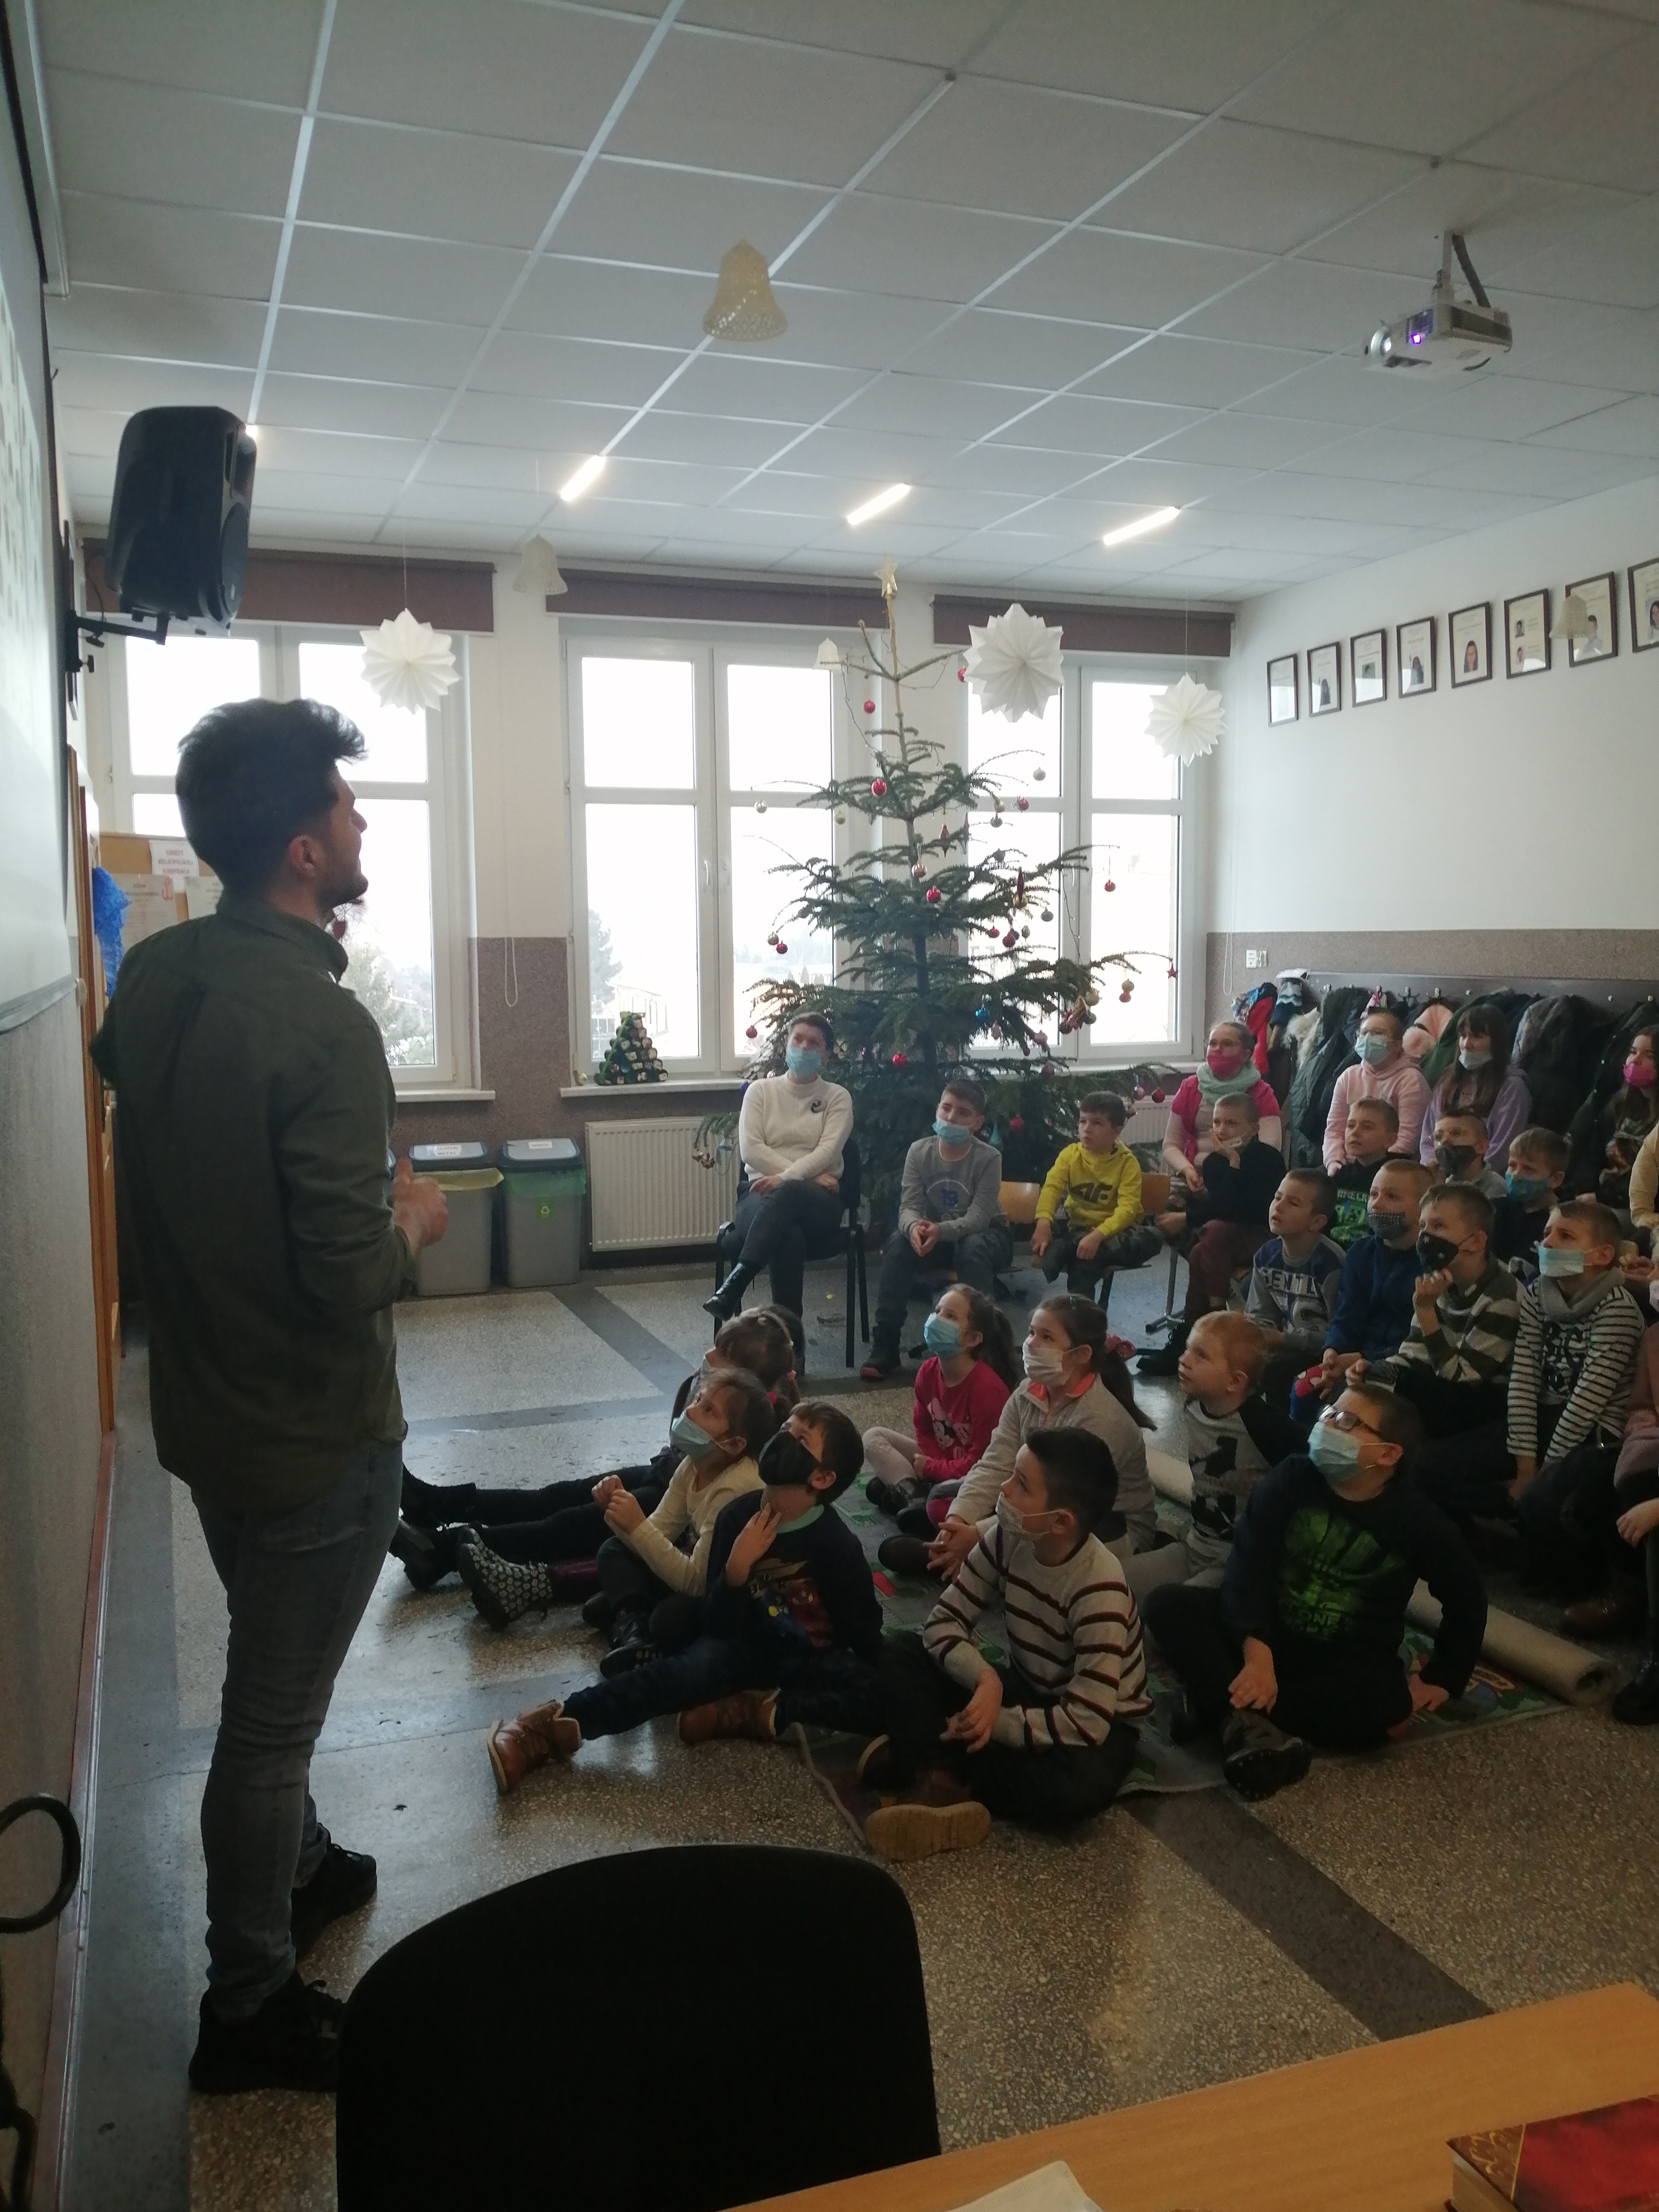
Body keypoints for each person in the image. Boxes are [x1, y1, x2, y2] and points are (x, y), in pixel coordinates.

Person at [89, 699, 451, 2093]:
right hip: (316, 1437)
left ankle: (300, 1865)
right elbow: (343, 1275)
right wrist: (411, 1219)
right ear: (304, 850)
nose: (362, 822)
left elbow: (143, 1098)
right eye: (347, 806)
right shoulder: (323, 1027)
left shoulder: (156, 976)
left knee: (266, 1662)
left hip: (208, 1415)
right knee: (269, 1725)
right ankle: (246, 2007)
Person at [484, 1404, 880, 1790]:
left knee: (884, 1690)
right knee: (670, 1677)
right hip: (742, 1647)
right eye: (785, 1429)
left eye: (801, 1439)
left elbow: (863, 1631)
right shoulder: (736, 1516)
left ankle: (754, 1713)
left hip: (807, 1661)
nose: (783, 1439)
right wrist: (736, 1571)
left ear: (823, 1478)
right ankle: (547, 1727)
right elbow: (717, 1623)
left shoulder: (836, 1546)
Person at [1144, 1386, 1487, 1801]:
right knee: (1168, 1605)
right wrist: (1258, 1655)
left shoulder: (1419, 1522)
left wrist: (1444, 1678)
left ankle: (1221, 1707)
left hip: (1341, 1659)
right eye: (1329, 1413)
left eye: (1346, 1421)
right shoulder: (1292, 1477)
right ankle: (1243, 1720)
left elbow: (1467, 1597)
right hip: (1265, 1633)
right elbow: (1248, 1567)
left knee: (1390, 1711)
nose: (1327, 1425)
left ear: (1387, 1454)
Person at [864, 1432, 1150, 1859]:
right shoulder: (1007, 1536)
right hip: (1025, 1686)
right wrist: (986, 1680)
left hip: (1098, 1721)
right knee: (901, 1651)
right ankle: (939, 1771)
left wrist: (992, 1723)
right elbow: (943, 1623)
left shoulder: (1100, 1590)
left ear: (1061, 1522)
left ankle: (935, 1763)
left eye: (1021, 1484)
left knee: (1080, 1787)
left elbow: (1089, 1720)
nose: (1005, 1488)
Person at [396, 1308, 797, 1602]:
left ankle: (441, 1551)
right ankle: (438, 1503)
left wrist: (631, 1521)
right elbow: (680, 1450)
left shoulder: (737, 1448)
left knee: (563, 1526)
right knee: (555, 1496)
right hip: (669, 1474)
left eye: (722, 1355)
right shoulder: (715, 1407)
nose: (709, 1358)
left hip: (670, 1494)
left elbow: (690, 1570)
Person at [899, 1293, 1157, 1580]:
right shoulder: (1027, 1391)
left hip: (1101, 1524)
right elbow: (996, 1463)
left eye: (1047, 1337)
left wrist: (977, 1535)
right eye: (1032, 1332)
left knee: (1051, 1538)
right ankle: (957, 1553)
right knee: (945, 1500)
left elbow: (1058, 1507)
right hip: (1035, 1499)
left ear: (1082, 1355)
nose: (1031, 1343)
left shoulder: (1099, 1419)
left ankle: (966, 1562)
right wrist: (957, 1520)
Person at [546, 1369, 775, 1676]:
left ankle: (631, 1614)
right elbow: (658, 1532)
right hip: (697, 1576)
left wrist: (636, 1526)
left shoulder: (736, 1488)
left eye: (709, 1411)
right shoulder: (693, 1464)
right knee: (612, 1551)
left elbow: (696, 1583)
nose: (690, 1410)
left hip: (728, 1596)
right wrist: (616, 1509)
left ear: (734, 1445)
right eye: (698, 1399)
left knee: (670, 1619)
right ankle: (632, 1624)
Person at [1510, 1201, 1646, 1597]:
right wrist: (1524, 1464)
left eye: (1565, 1236)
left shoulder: (1618, 1308)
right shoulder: (1537, 1293)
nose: (1548, 1242)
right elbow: (1523, 1376)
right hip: (1546, 1412)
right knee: (1441, 1466)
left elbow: (1588, 1402)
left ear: (1601, 1255)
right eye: (1547, 1233)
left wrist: (1544, 1471)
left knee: (1542, 1496)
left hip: (1597, 1430)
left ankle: (1575, 1584)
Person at [1369, 1185, 1520, 1530]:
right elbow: (1412, 1353)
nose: (1426, 1236)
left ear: (1475, 1241)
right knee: (1365, 1388)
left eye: (1438, 1226)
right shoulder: (1439, 1280)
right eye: (1423, 1226)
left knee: (1401, 1394)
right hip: (1444, 1386)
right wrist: (1372, 1372)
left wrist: (1426, 1315)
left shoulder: (1503, 1297)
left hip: (1487, 1401)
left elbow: (1463, 1378)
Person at [1125, 1312, 1298, 1602]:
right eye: (1187, 1349)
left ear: (1235, 1382)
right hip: (1196, 1545)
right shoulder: (1194, 1404)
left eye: (1201, 1356)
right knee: (1111, 1583)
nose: (1184, 1360)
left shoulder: (1265, 1425)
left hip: (1236, 1560)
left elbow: (1309, 1462)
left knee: (1167, 1611)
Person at [705, 1012, 852, 1344]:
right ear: (786, 1045)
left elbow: (828, 1152)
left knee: (789, 1196)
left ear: (827, 1055)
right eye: (798, 1039)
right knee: (789, 1236)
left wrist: (787, 1179)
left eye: (814, 1043)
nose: (804, 1047)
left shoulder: (837, 1097)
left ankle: (738, 1281)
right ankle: (791, 1344)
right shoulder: (760, 1092)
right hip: (759, 1195)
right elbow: (752, 1151)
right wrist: (802, 1179)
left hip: (820, 1204)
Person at [861, 1077, 1010, 1379]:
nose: (951, 1117)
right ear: (937, 1109)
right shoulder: (919, 1151)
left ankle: (985, 1349)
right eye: (946, 1108)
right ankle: (886, 1346)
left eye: (963, 1113)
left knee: (972, 1248)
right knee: (898, 1244)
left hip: (988, 1235)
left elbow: (980, 1217)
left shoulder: (989, 1157)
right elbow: (909, 1206)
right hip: (935, 1236)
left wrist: (940, 1230)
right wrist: (914, 1228)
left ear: (978, 1122)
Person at [1144, 1091, 1282, 1372]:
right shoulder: (1213, 1163)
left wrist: (1235, 1163)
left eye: (1231, 1123)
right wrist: (1222, 1172)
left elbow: (1246, 1211)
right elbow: (1220, 1208)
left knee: (1212, 1235)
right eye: (1217, 1122)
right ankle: (1197, 1335)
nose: (1222, 1129)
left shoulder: (1270, 1160)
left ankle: (1208, 1321)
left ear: (1253, 1128)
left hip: (1262, 1235)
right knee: (1202, 1249)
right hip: (1223, 1240)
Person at [862, 1285, 1015, 1519]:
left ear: (973, 1339)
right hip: (940, 1461)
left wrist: (932, 1469)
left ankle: (905, 1488)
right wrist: (932, 1465)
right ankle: (912, 1496)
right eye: (937, 1311)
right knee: (873, 1437)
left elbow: (982, 1462)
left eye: (950, 1316)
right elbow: (923, 1429)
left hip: (972, 1474)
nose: (937, 1320)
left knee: (946, 1500)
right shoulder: (927, 1371)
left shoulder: (988, 1390)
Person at [1301, 1160, 1434, 1419]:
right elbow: (1347, 1315)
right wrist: (1333, 1350)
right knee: (1304, 1392)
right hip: (1352, 1360)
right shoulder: (1361, 1253)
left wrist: (1364, 1359)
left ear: (1423, 1208)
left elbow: (1417, 1339)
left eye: (1391, 1197)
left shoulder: (1430, 1262)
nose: (1377, 1204)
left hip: (1402, 1366)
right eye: (1373, 1194)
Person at [1031, 1090, 1161, 1301]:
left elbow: (1128, 1210)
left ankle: (1070, 1248)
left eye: (1097, 1123)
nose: (1087, 1129)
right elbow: (1052, 1187)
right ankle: (1083, 1318)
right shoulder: (1071, 1155)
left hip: (1117, 1233)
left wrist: (1098, 1236)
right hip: (1080, 1229)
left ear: (1116, 1131)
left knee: (1153, 1237)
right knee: (1084, 1264)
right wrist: (1043, 1222)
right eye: (1083, 1121)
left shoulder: (1127, 1163)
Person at [1245, 1169, 1344, 1401]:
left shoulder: (1332, 1264)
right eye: (1278, 1197)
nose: (1278, 1207)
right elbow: (1260, 1315)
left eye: (1293, 1203)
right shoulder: (1266, 1256)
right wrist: (1255, 1335)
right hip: (1286, 1344)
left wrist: (1283, 1340)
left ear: (1317, 1222)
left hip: (1323, 1354)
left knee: (1275, 1372)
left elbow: (1339, 1333)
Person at [1161, 1022, 1283, 1190]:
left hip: (1242, 1179)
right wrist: (1188, 1171)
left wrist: (1231, 1172)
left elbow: (1270, 1152)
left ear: (1246, 1055)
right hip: (1195, 1174)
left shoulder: (1262, 1094)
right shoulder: (1190, 1087)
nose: (1217, 1049)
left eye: (1227, 1044)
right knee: (1163, 1199)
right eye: (1213, 1044)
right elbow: (1171, 1145)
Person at [1419, 1006, 1531, 1170]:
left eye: (1477, 1037)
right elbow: (1428, 1137)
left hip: (1484, 1177)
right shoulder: (1448, 1081)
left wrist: (1467, 1174)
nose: (1467, 1044)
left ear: (1497, 1043)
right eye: (1463, 1036)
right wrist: (1433, 1168)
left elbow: (1502, 1149)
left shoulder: (1512, 1088)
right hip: (1441, 1174)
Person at [1323, 1005, 1429, 1166]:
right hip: (1348, 1166)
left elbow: (1408, 1139)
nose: (1368, 1039)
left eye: (1378, 1033)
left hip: (1391, 1167)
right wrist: (1334, 1163)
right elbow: (1334, 1130)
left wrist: (1373, 1170)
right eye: (1364, 1033)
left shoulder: (1411, 1080)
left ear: (1397, 1045)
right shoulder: (1349, 1076)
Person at [1579, 1028, 1657, 1211]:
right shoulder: (1619, 1103)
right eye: (1633, 1052)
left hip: (1636, 1206)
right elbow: (1594, 1153)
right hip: (1599, 1196)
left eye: (1650, 1056)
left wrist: (1601, 1198)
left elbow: (1651, 1184)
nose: (1635, 1060)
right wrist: (1583, 1189)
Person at [1492, 1126, 1569, 1273]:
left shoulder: (1561, 1224)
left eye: (1529, 1169)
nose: (1516, 1175)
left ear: (1555, 1179)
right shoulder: (1494, 1208)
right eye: (1512, 1165)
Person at [1328, 1097, 1401, 1248]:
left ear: (1390, 1140)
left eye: (1367, 1127)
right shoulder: (1340, 1176)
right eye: (1351, 1125)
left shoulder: (1394, 1180)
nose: (1355, 1132)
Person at [1429, 1110, 1505, 1204]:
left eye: (1456, 1133)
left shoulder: (1495, 1188)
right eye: (1438, 1137)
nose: (1444, 1141)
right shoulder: (1443, 1182)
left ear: (1482, 1147)